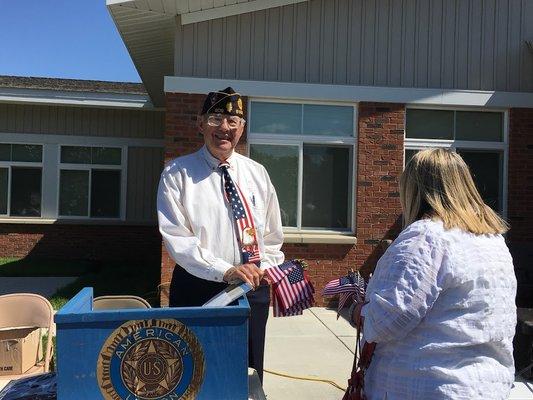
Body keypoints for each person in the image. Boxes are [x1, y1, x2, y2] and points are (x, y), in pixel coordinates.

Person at [360, 149, 517, 399]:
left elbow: (387, 321)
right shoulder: (492, 239)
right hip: (486, 386)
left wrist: (360, 307)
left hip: (428, 386)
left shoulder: (426, 237)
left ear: (414, 189)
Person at [157, 87, 284, 383]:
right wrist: (225, 270)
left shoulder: (257, 173)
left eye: (232, 121)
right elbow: (177, 238)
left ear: (242, 128)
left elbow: (273, 236)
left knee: (246, 375)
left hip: (251, 288)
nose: (224, 128)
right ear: (200, 124)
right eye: (215, 118)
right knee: (193, 374)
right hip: (197, 287)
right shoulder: (177, 174)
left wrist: (260, 267)